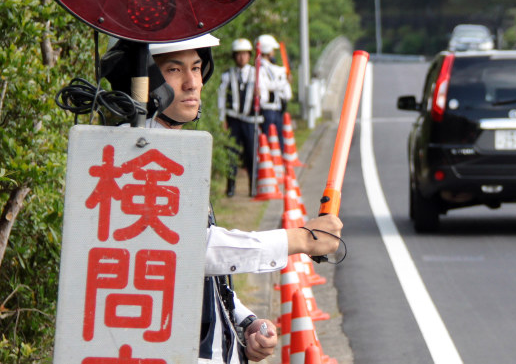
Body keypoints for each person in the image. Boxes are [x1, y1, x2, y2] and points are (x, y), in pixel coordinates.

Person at [101, 36, 343, 364]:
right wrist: (300, 239)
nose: (193, 83)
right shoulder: (132, 159)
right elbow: (189, 251)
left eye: (198, 68)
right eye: (174, 69)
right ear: (144, 80)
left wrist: (245, 323)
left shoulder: (172, 150)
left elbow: (202, 277)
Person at [217, 38, 260, 197]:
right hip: (233, 119)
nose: (241, 57)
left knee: (251, 154)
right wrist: (222, 120)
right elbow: (221, 98)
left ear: (249, 56)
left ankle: (253, 187)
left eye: (244, 54)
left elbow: (269, 94)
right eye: (238, 54)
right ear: (234, 56)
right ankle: (231, 187)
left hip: (250, 121)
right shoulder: (227, 75)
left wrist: (261, 94)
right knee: (232, 153)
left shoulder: (257, 74)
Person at [256, 34, 292, 149]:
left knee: (278, 140)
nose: (274, 53)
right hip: (268, 110)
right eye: (272, 50)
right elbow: (267, 86)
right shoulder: (260, 67)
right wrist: (284, 81)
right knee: (269, 141)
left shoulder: (270, 67)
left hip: (276, 109)